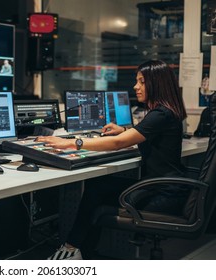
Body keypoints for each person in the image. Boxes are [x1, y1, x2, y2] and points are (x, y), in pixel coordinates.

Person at [37, 59, 188, 260]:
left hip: (162, 195)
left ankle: (71, 249)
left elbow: (118, 144)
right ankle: (81, 251)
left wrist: (73, 142)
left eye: (141, 82)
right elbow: (141, 133)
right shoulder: (168, 111)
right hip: (168, 189)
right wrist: (124, 130)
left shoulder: (160, 114)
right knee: (99, 186)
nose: (136, 86)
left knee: (96, 190)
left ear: (156, 83)